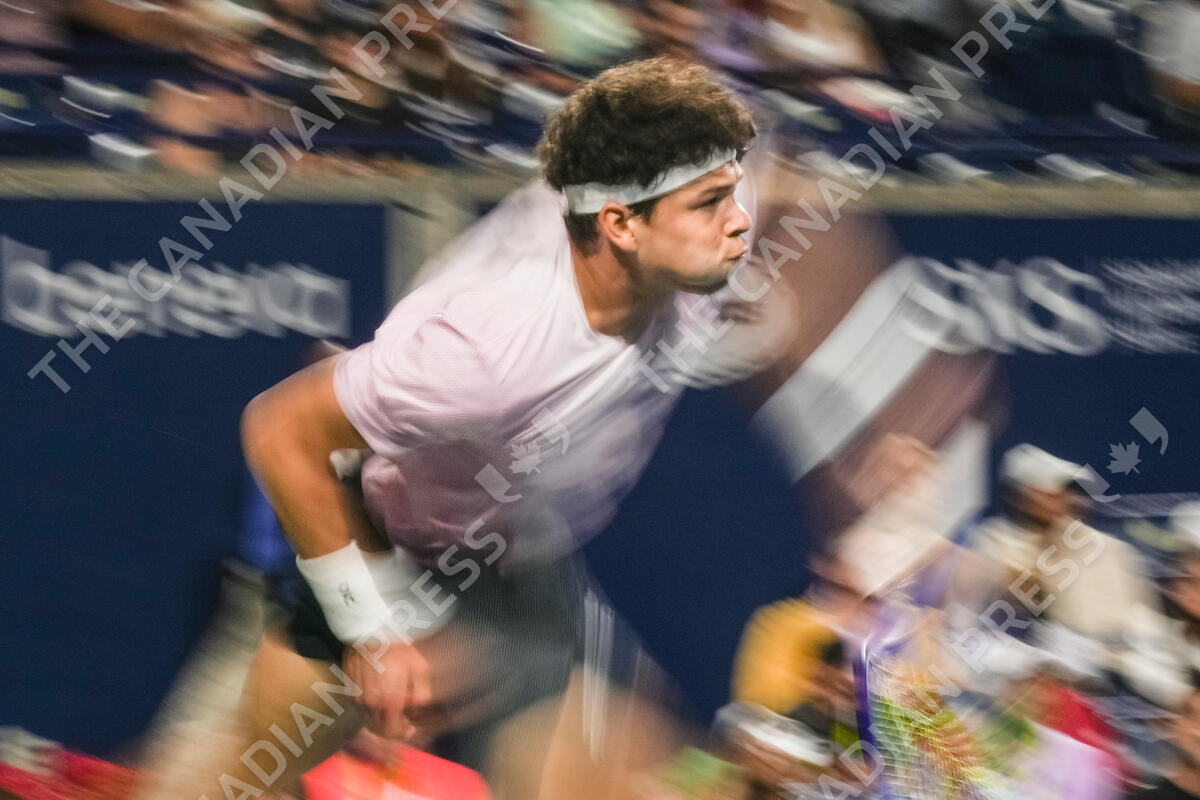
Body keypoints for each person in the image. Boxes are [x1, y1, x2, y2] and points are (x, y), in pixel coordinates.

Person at [136, 57, 797, 800]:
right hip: (383, 539)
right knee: (234, 779)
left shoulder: (686, 212)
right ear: (620, 225)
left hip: (515, 551)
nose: (738, 220)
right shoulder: (489, 350)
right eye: (710, 204)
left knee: (622, 778)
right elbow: (282, 428)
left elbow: (776, 180)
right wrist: (379, 629)